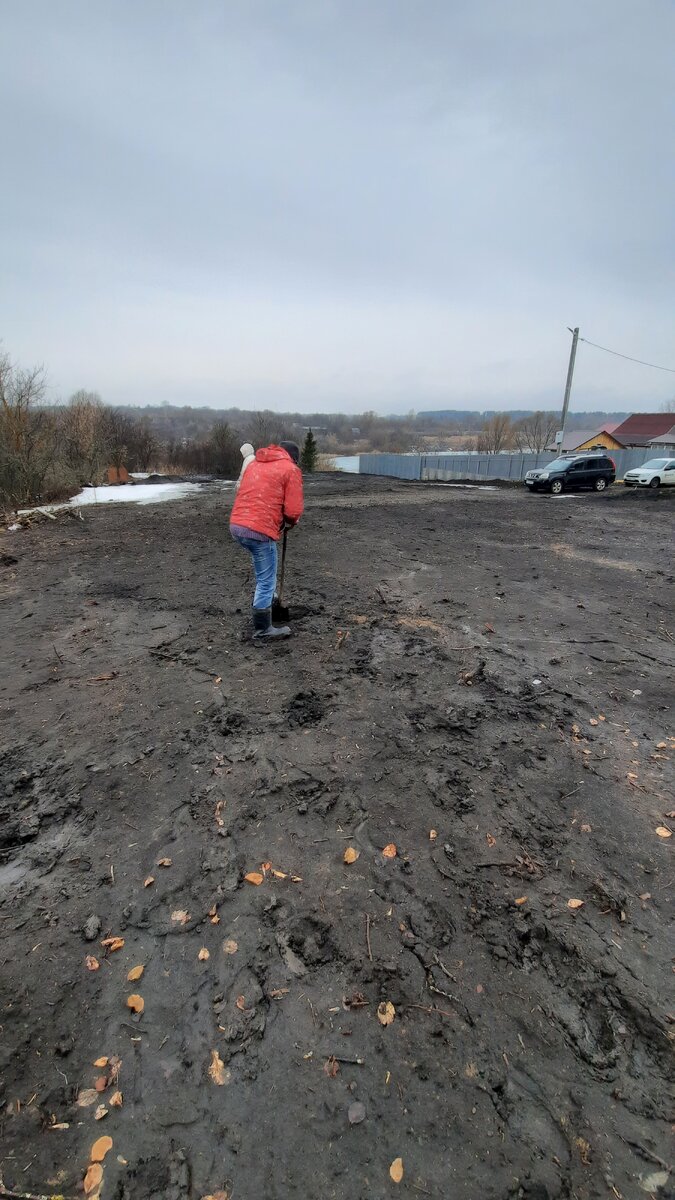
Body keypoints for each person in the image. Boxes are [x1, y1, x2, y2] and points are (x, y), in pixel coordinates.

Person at [230, 441, 303, 642]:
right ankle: (263, 628)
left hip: (238, 525)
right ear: (293, 458)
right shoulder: (291, 469)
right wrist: (291, 522)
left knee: (264, 565)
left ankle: (269, 602)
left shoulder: (256, 463)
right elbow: (293, 510)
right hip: (258, 530)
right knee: (266, 579)